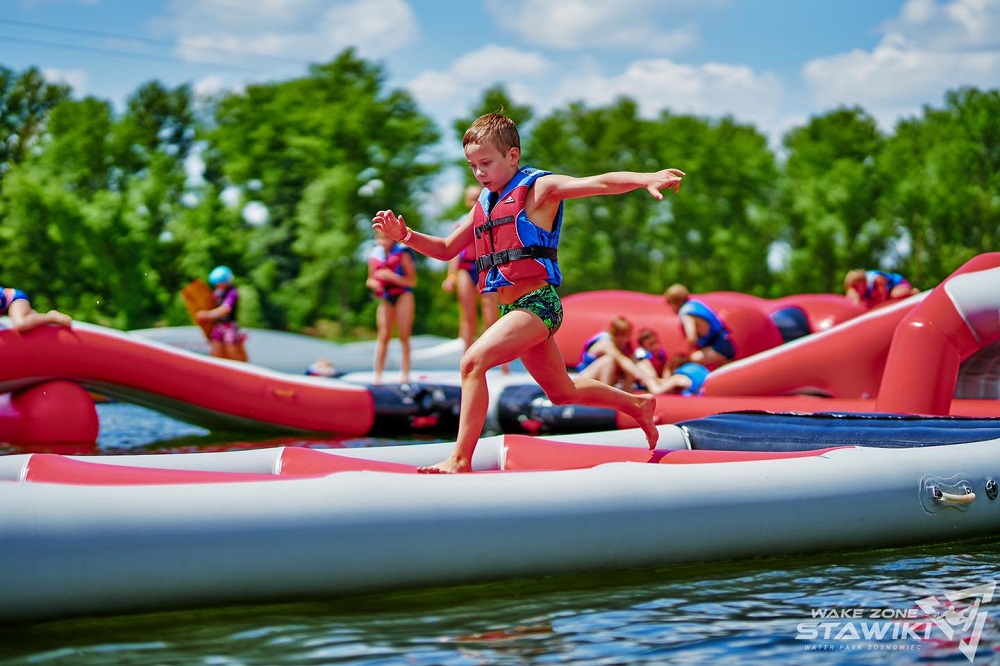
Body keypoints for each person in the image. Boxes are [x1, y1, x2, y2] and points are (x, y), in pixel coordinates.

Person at [372, 111, 684, 473]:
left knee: (472, 363)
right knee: (562, 392)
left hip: (539, 304)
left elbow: (601, 182)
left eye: (486, 163)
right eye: (472, 166)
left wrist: (648, 178)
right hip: (512, 310)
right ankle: (637, 404)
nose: (479, 173)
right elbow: (445, 248)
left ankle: (460, 458)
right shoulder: (483, 206)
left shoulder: (539, 190)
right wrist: (406, 237)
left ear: (513, 156)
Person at [442, 185, 509, 374]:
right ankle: (467, 359)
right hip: (466, 267)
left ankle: (502, 364)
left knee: (491, 317)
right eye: (470, 199)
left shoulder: (492, 218)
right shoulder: (461, 223)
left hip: (486, 267)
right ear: (466, 201)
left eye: (476, 198)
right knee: (467, 317)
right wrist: (451, 276)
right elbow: (454, 250)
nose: (473, 202)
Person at [367, 228, 417, 384]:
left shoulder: (403, 253)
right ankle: (378, 374)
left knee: (403, 335)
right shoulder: (375, 254)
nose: (383, 242)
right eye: (380, 239)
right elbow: (369, 279)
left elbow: (412, 281)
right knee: (383, 335)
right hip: (386, 297)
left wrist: (392, 277)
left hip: (403, 295)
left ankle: (405, 373)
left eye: (386, 239)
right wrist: (374, 284)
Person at [664, 283, 735, 368]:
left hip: (718, 348)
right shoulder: (694, 304)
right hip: (726, 343)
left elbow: (692, 338)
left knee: (689, 361)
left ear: (674, 304)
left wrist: (687, 355)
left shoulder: (687, 314)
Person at [196, 265, 248, 362]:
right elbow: (209, 304)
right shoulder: (217, 293)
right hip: (218, 325)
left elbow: (226, 309)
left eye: (220, 283)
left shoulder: (232, 292)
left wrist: (208, 315)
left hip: (229, 326)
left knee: (230, 348)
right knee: (215, 349)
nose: (218, 286)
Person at [632, 327, 706, 395]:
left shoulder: (661, 355)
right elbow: (651, 382)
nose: (656, 346)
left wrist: (668, 377)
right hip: (652, 387)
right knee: (678, 380)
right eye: (651, 344)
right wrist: (673, 381)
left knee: (681, 380)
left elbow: (666, 375)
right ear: (643, 347)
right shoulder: (643, 361)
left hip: (660, 383)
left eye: (656, 342)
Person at [575, 316, 639, 389]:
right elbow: (622, 360)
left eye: (628, 335)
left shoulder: (625, 346)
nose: (626, 339)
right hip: (585, 378)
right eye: (622, 335)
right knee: (609, 360)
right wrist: (640, 376)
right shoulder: (605, 342)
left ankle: (628, 395)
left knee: (630, 369)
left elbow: (633, 362)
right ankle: (606, 396)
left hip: (607, 380)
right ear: (614, 333)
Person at [0, 286, 72, 332]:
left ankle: (51, 316)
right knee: (26, 321)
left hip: (14, 299)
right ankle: (33, 315)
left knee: (21, 324)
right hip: (5, 307)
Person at [844, 269, 919, 307]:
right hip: (887, 295)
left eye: (856, 287)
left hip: (898, 285)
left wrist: (870, 303)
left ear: (861, 282)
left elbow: (883, 298)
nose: (856, 291)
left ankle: (913, 292)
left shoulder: (876, 279)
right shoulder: (861, 290)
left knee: (895, 295)